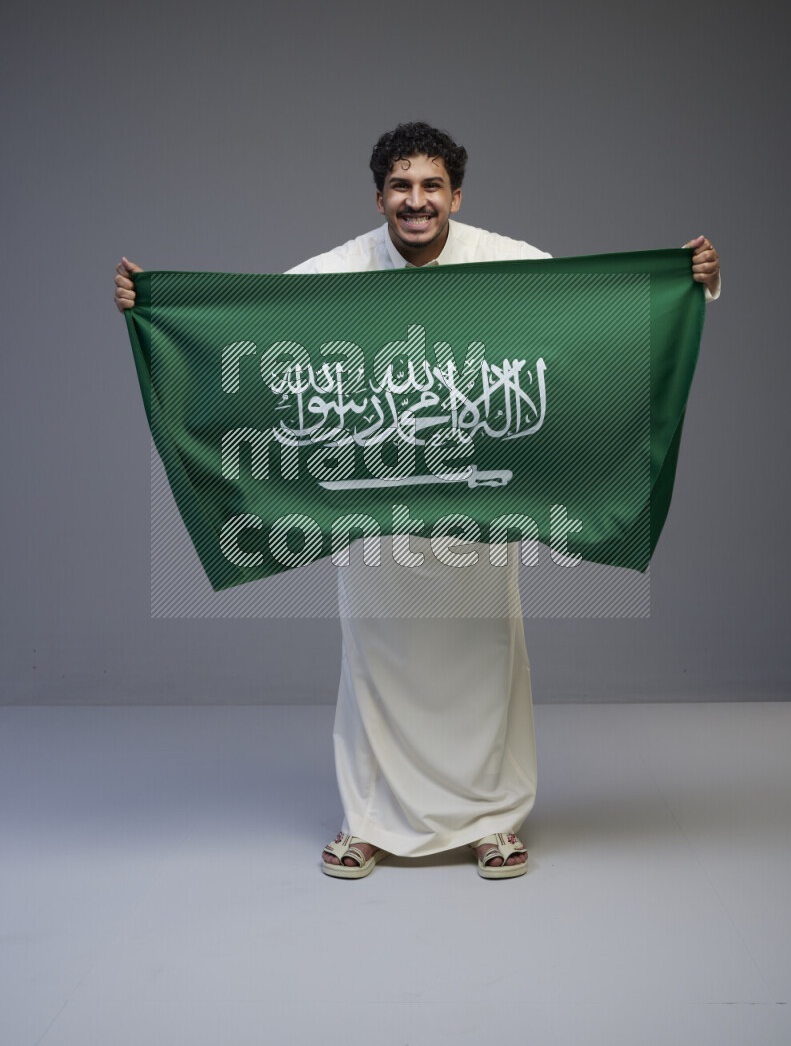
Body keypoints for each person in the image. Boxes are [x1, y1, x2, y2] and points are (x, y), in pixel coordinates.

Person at [114, 122, 721, 879]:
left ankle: (494, 820)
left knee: (487, 656)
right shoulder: (342, 269)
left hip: (478, 508)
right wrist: (156, 307)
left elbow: (594, 310)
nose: (416, 200)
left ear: (455, 196)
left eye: (431, 185)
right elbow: (253, 326)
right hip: (380, 511)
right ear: (379, 199)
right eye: (401, 187)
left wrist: (687, 279)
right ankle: (368, 819)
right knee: (375, 658)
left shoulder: (500, 261)